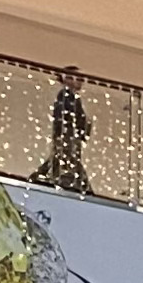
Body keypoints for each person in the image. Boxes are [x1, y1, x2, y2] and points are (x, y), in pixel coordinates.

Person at [30, 68, 95, 201]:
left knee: (63, 163)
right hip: (67, 140)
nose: (80, 82)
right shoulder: (66, 97)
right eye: (76, 78)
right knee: (64, 164)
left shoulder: (71, 98)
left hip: (69, 141)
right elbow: (68, 122)